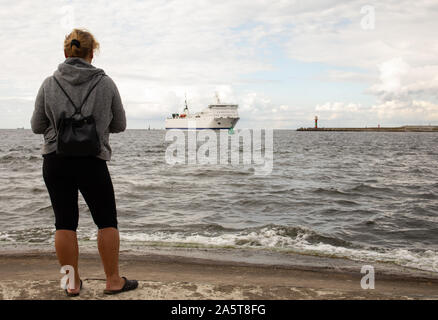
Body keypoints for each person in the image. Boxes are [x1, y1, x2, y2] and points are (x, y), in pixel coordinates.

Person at [31, 28, 138, 297]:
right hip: (92, 160)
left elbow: (36, 126)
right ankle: (113, 280)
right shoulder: (106, 83)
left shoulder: (49, 83)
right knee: (106, 221)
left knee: (64, 223)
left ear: (66, 52)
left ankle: (71, 283)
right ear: (92, 53)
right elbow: (120, 124)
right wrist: (97, 127)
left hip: (56, 159)